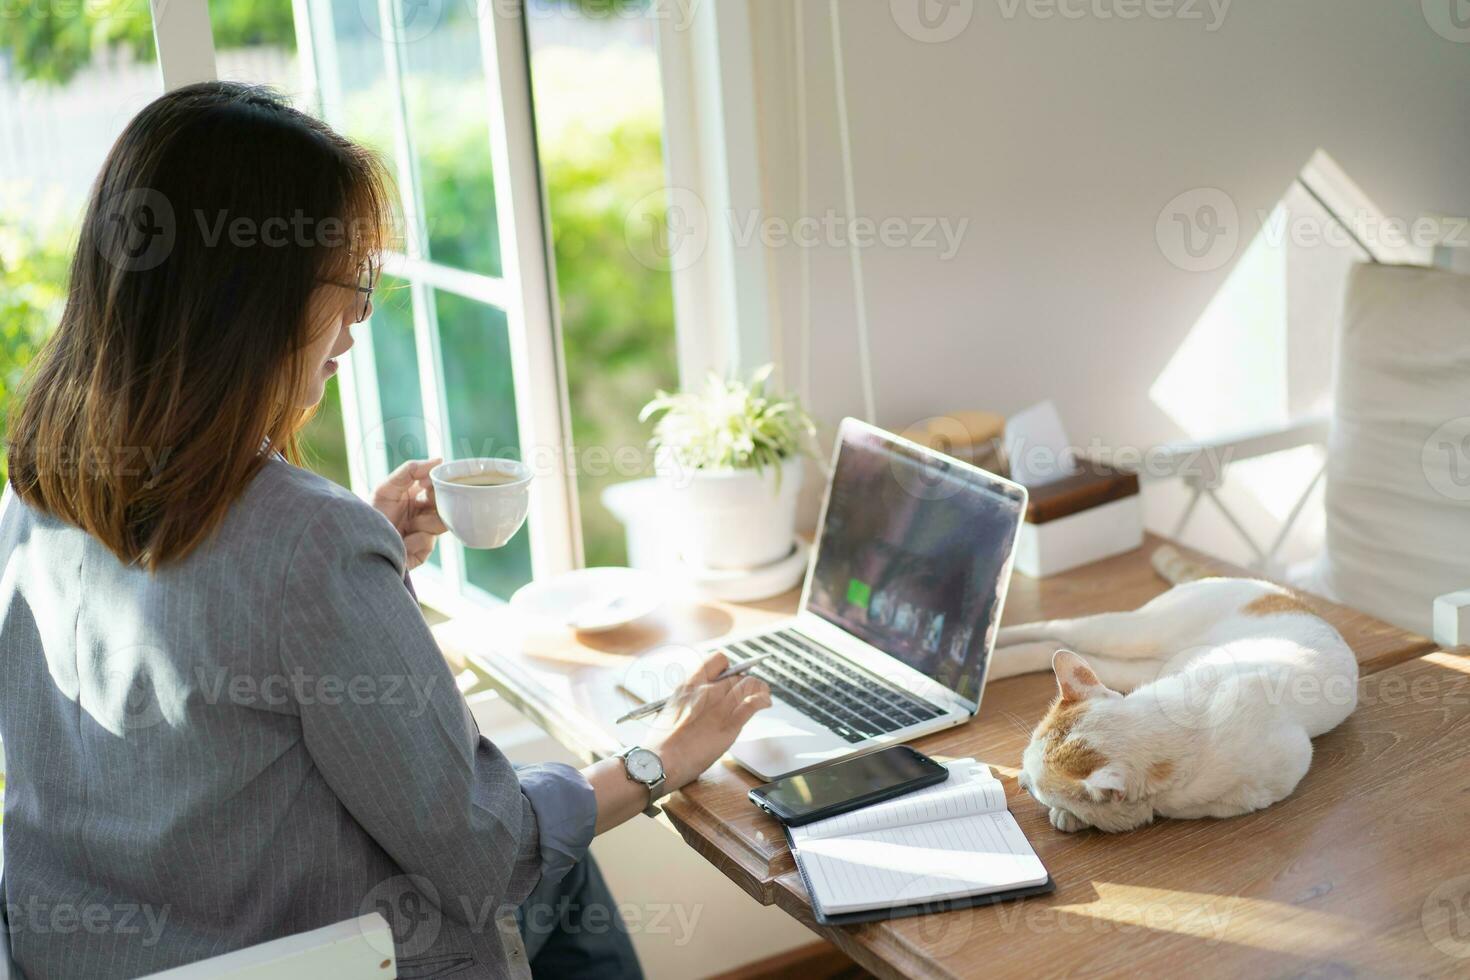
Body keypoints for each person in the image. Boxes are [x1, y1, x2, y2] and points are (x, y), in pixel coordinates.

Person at [0, 81, 770, 979]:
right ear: (248, 301)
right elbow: (489, 854)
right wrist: (664, 755)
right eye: (350, 286)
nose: (359, 325)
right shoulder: (308, 546)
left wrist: (363, 567)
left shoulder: (38, 492)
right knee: (558, 871)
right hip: (309, 961)